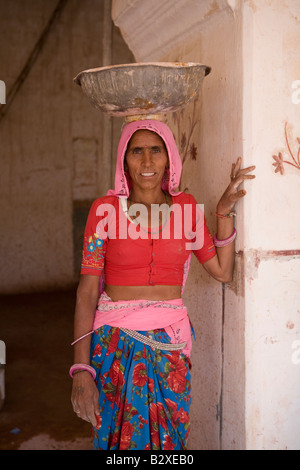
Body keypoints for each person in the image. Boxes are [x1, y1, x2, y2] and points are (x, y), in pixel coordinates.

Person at [70, 119, 255, 450]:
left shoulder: (186, 210)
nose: (146, 162)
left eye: (156, 150)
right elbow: (86, 292)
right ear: (123, 160)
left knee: (169, 443)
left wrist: (223, 212)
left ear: (169, 158)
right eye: (136, 151)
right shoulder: (104, 211)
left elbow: (222, 271)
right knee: (116, 442)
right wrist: (81, 370)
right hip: (115, 346)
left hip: (170, 347)